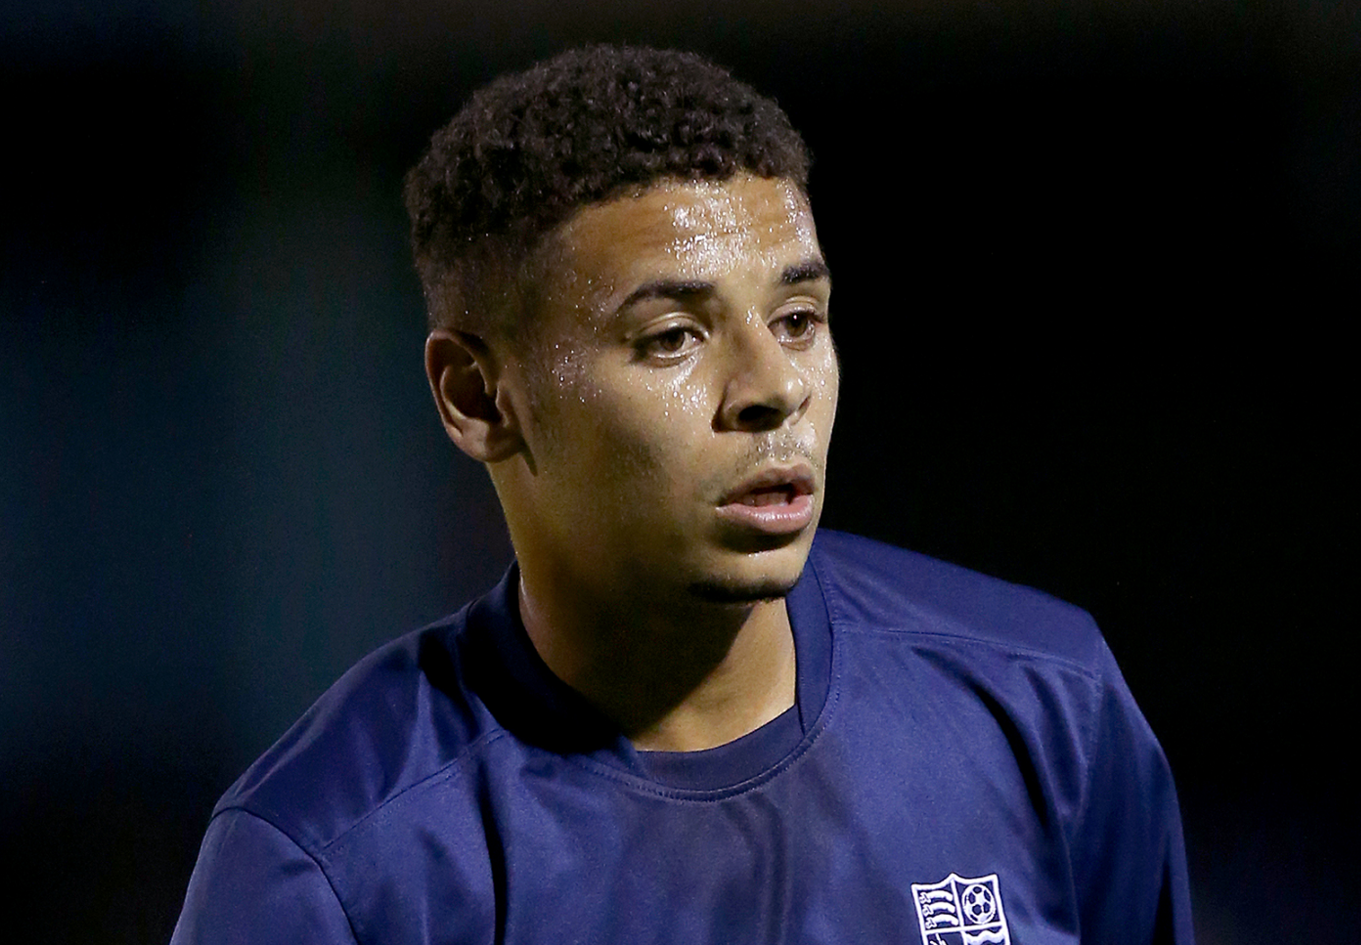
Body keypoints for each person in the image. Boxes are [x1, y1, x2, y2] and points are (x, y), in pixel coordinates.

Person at [171, 45, 1193, 944]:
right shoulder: (332, 864)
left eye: (798, 319)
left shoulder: (1046, 709)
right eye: (672, 338)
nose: (772, 390)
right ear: (479, 397)